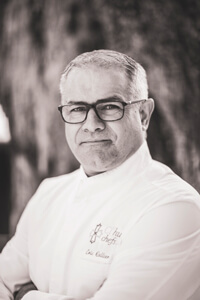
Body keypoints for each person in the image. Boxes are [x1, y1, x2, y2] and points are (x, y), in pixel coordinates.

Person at [0, 49, 200, 300]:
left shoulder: (175, 207)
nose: (92, 123)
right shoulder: (49, 193)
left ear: (143, 115)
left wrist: (24, 295)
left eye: (109, 107)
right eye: (77, 109)